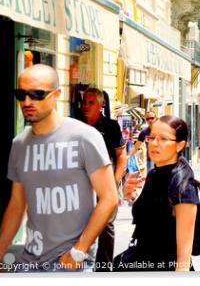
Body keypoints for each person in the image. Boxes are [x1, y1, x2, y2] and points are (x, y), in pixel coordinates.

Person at [0, 64, 118, 273]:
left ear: (57, 94)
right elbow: (16, 205)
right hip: (28, 262)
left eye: (37, 94)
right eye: (21, 94)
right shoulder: (19, 144)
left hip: (70, 264)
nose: (27, 102)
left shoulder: (84, 136)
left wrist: (80, 249)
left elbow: (109, 197)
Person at [120, 116, 200, 271]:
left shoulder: (183, 187)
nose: (154, 143)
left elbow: (183, 258)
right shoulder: (154, 174)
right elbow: (151, 216)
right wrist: (130, 195)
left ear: (180, 145)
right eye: (151, 138)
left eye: (163, 139)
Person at [80, 87, 126, 271]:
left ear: (101, 105)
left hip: (105, 183)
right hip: (81, 183)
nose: (86, 106)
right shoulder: (76, 125)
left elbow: (122, 156)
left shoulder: (111, 126)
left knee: (106, 225)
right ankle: (78, 262)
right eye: (84, 102)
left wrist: (114, 182)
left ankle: (104, 269)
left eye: (91, 102)